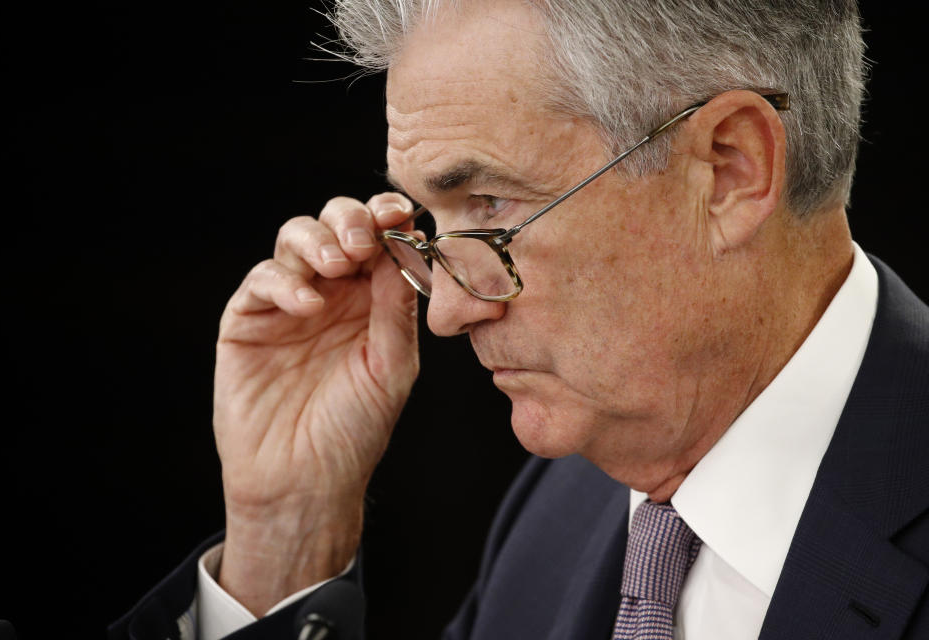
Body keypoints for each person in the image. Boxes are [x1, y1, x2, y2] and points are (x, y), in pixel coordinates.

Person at [111, 1, 929, 639]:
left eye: (491, 207)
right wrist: (288, 536)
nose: (449, 312)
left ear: (728, 170)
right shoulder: (559, 511)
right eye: (430, 230)